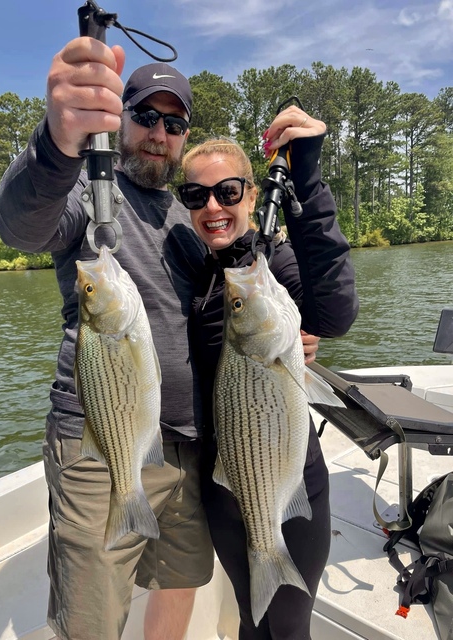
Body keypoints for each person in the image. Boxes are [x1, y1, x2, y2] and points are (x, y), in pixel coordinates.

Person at [0, 37, 214, 640]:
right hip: (99, 440)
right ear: (119, 118)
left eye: (174, 123)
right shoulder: (90, 193)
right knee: (91, 618)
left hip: (187, 445)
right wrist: (57, 142)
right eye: (145, 114)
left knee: (180, 581)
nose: (158, 133)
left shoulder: (188, 216)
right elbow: (22, 225)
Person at [178, 108, 359, 639]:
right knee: (250, 621)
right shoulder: (192, 273)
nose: (213, 206)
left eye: (228, 191)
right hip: (223, 488)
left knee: (288, 627)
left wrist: (307, 175)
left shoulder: (274, 265)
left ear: (253, 196)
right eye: (196, 196)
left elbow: (335, 312)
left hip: (290, 482)